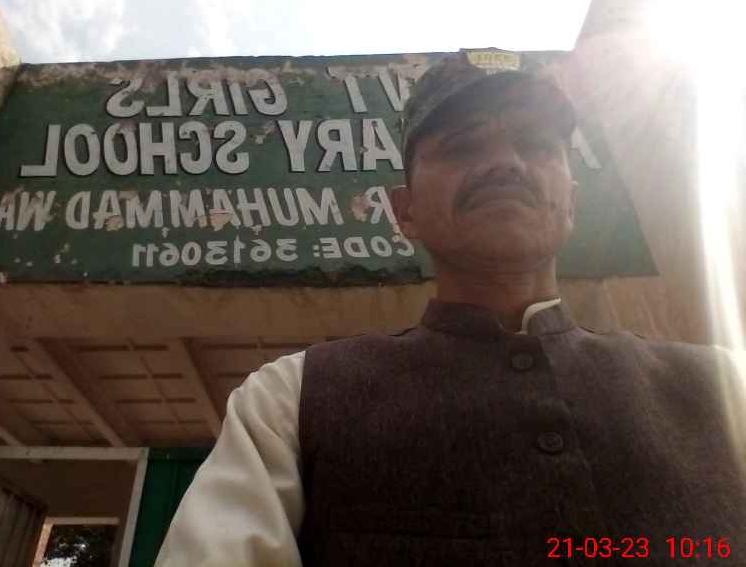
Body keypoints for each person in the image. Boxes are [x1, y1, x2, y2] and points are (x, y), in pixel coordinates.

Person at [155, 51, 746, 566]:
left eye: (536, 144)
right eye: (462, 146)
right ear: (405, 212)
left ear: (571, 202)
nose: (506, 163)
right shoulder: (291, 400)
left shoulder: (725, 387)